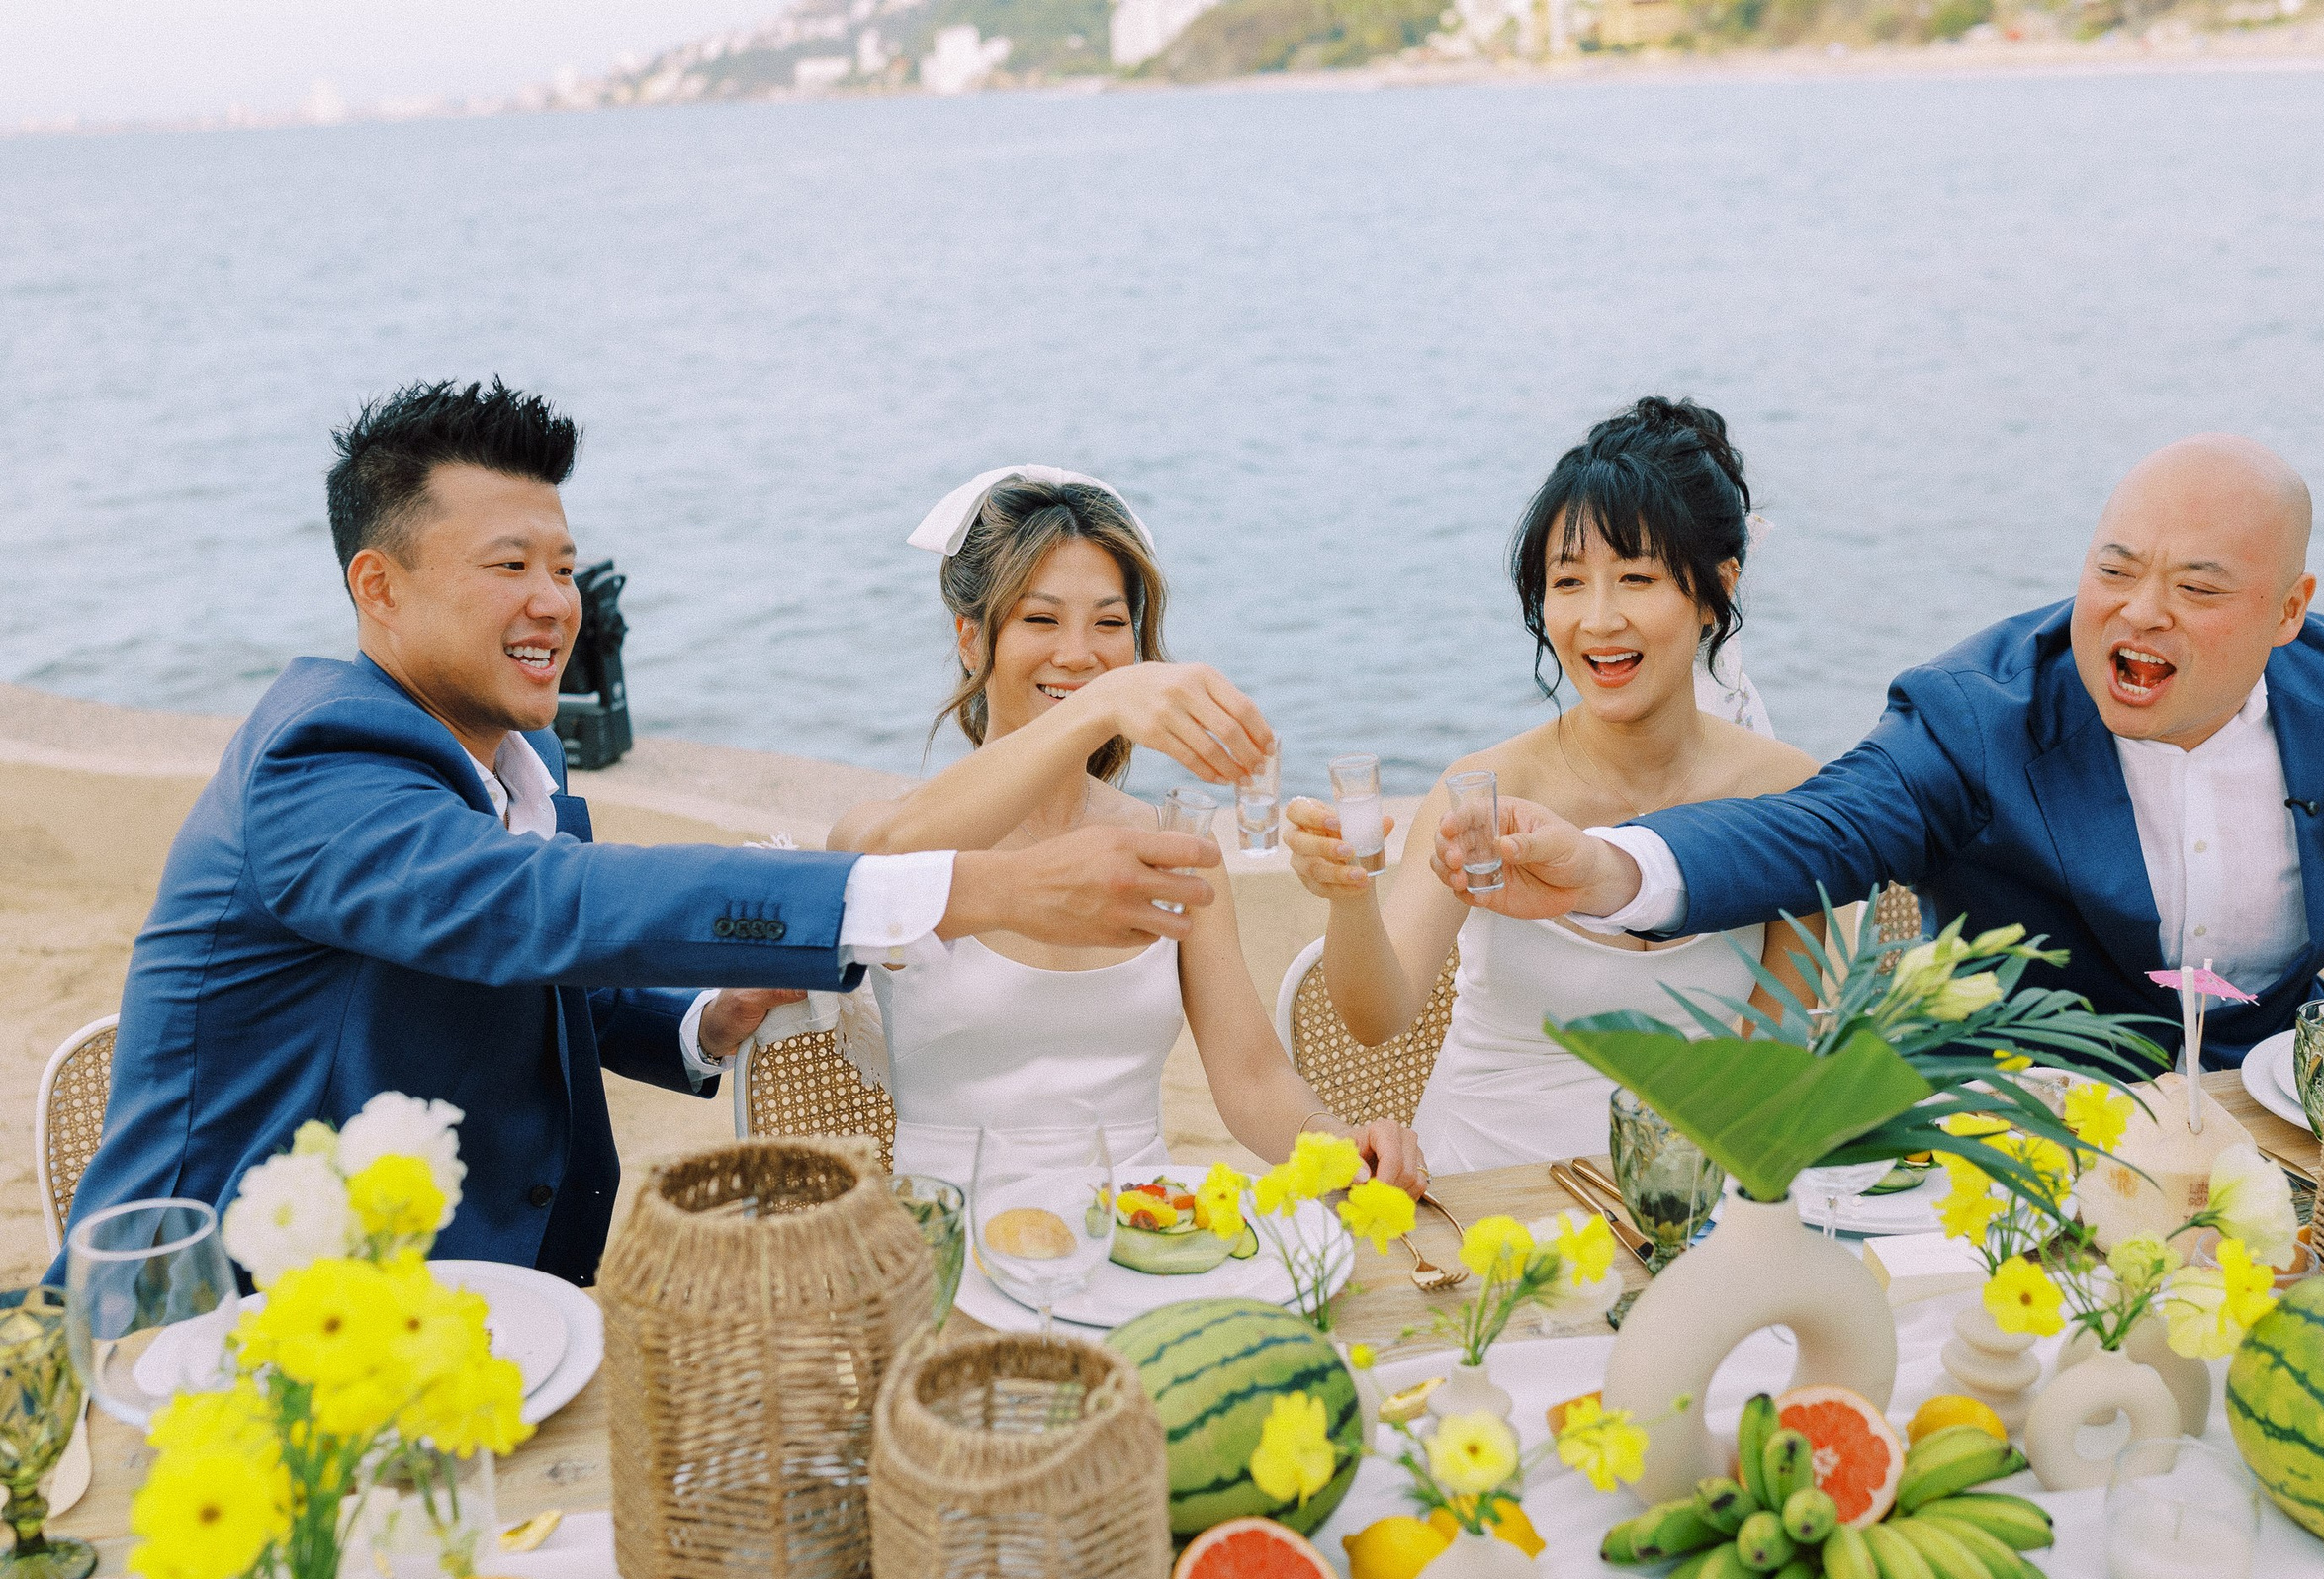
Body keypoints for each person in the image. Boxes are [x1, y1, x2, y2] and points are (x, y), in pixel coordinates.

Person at [61, 386, 1220, 1286]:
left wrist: (710, 1017)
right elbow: (543, 907)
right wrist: (969, 893)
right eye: (508, 566)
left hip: (479, 1301)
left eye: (562, 568)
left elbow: (551, 967)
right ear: (380, 587)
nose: (555, 602)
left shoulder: (525, 761)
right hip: (219, 1317)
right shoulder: (320, 763)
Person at [1435, 433, 2324, 1069]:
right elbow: (1818, 828)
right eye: (2113, 570)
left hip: (2272, 1107)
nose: (2138, 614)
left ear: (2288, 612)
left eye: (2196, 589)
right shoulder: (1978, 715)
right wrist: (1607, 866)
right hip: (2020, 1133)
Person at [822, 466, 1426, 1194]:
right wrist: (1101, 700)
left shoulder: (1173, 849)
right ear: (971, 640)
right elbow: (878, 859)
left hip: (1139, 1228)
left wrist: (1344, 1148)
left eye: (1109, 624)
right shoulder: (893, 834)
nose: (1078, 654)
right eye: (1040, 620)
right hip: (950, 1240)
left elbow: (1252, 1079)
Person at [1283, 399, 1822, 1173]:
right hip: (1480, 1195)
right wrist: (1347, 893)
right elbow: (1376, 1016)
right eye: (1568, 583)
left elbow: (1775, 1066)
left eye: (1635, 578)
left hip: (1689, 1194)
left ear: (1715, 590)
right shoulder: (1485, 793)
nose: (1598, 620)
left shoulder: (1789, 794)